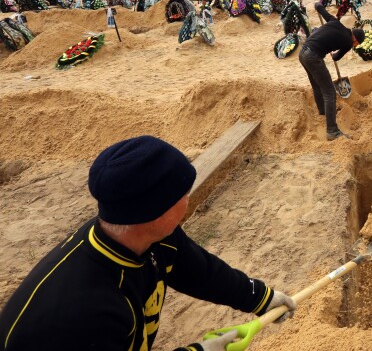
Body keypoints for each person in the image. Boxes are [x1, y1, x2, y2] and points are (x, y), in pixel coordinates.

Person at [0, 136, 296, 351]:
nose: (188, 199)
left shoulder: (154, 237)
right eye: (184, 193)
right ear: (155, 212)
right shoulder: (85, 312)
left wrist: (258, 297)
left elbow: (199, 271)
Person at [300, 1, 365, 141]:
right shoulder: (348, 42)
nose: (354, 45)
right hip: (313, 56)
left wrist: (317, 5)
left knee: (317, 85)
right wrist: (332, 52)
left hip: (303, 52)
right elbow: (336, 57)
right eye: (356, 43)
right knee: (329, 92)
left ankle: (323, 112)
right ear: (355, 38)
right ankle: (332, 131)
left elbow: (321, 10)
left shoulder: (335, 22)